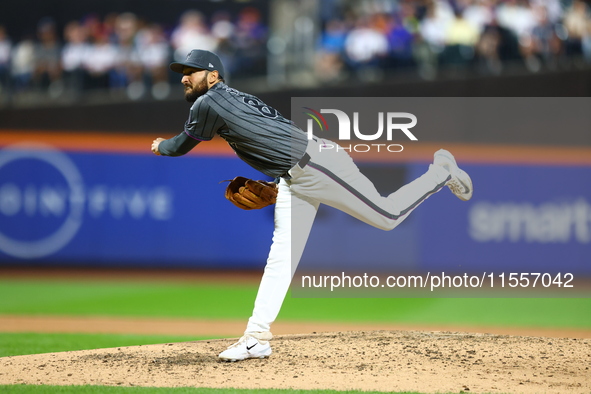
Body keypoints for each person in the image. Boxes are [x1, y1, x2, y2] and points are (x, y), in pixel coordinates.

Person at [151, 49, 473, 362]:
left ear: (214, 76)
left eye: (191, 72)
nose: (184, 78)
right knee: (281, 258)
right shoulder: (232, 98)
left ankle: (440, 172)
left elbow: (181, 145)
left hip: (316, 165)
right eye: (182, 73)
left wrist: (161, 146)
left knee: (387, 216)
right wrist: (279, 178)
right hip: (295, 175)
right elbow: (273, 136)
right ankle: (256, 338)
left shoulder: (209, 102)